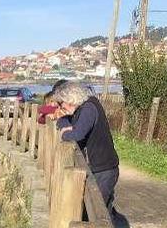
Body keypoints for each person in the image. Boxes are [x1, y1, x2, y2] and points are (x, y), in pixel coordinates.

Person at [51, 82, 120, 212]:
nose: (60, 108)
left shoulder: (88, 109)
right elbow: (63, 121)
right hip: (99, 168)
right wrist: (65, 124)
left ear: (69, 99)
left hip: (103, 169)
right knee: (97, 209)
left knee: (96, 212)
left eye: (61, 104)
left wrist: (65, 133)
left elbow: (77, 134)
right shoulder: (79, 109)